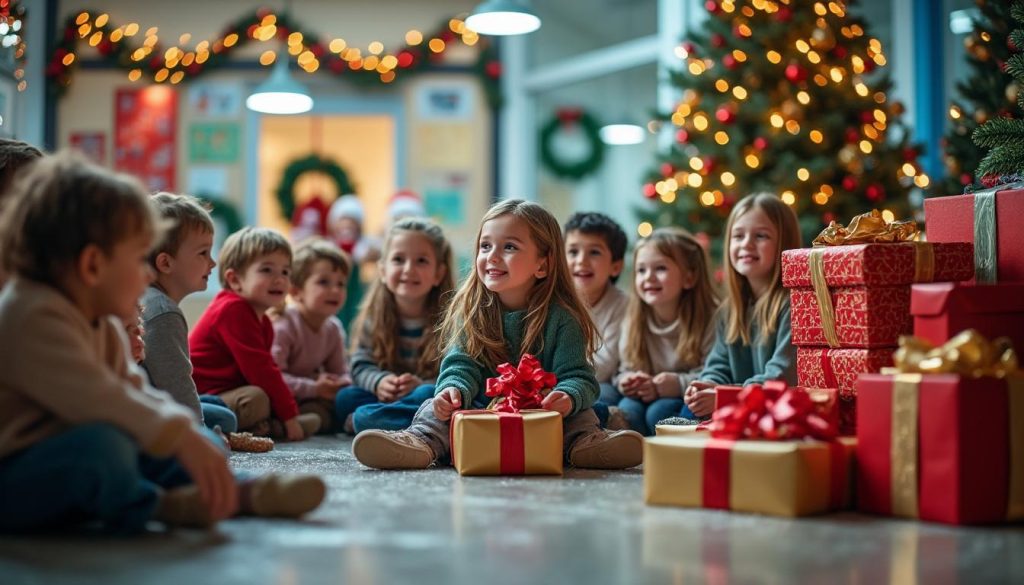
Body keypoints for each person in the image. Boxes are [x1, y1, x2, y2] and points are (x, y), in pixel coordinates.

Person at [0, 152, 324, 533]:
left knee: (157, 441)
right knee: (107, 449)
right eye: (141, 261)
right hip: (18, 472)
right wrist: (180, 434)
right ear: (92, 266)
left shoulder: (98, 317)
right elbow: (102, 397)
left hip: (70, 441)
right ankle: (158, 505)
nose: (146, 276)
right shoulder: (32, 313)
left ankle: (238, 490)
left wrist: (186, 436)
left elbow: (131, 386)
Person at [351, 199, 644, 470]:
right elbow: (460, 366)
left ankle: (587, 445)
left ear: (542, 264)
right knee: (433, 405)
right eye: (485, 246)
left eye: (510, 247)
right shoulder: (472, 310)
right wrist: (452, 390)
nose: (492, 256)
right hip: (482, 410)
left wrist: (567, 396)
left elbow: (579, 377)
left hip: (541, 413)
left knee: (582, 414)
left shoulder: (562, 318)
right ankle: (420, 441)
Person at [673, 193, 801, 423]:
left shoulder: (793, 305)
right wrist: (709, 384)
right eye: (738, 235)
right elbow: (718, 364)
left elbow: (781, 376)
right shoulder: (729, 311)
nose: (746, 244)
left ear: (785, 243)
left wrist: (725, 396)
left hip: (775, 411)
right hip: (737, 402)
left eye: (761, 236)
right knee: (685, 414)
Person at [189, 227, 320, 440]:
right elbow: (262, 371)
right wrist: (290, 418)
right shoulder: (233, 310)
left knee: (268, 396)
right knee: (256, 398)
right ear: (235, 280)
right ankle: (273, 426)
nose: (279, 279)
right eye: (267, 270)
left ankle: (266, 426)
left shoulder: (264, 321)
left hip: (228, 392)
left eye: (285, 272)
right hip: (203, 398)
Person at [334, 218, 454, 433]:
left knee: (427, 393)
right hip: (384, 396)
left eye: (421, 261)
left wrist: (419, 383)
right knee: (345, 398)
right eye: (398, 259)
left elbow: (455, 372)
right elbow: (360, 364)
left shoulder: (451, 321)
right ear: (382, 270)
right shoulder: (374, 317)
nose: (409, 269)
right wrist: (380, 382)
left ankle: (367, 421)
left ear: (439, 273)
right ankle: (391, 419)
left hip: (424, 395)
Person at [613, 228, 718, 435]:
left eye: (660, 268)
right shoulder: (634, 317)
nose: (648, 277)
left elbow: (714, 374)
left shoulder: (710, 317)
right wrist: (628, 381)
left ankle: (665, 454)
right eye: (641, 270)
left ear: (689, 278)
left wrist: (676, 384)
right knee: (628, 408)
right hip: (646, 394)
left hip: (684, 394)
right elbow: (623, 368)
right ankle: (632, 455)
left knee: (659, 412)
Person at [272, 238, 353, 433]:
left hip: (306, 396)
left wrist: (339, 382)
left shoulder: (333, 328)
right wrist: (314, 387)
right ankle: (277, 424)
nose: (335, 290)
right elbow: (273, 378)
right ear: (296, 291)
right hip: (277, 395)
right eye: (324, 282)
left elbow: (341, 370)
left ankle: (289, 424)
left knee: (340, 404)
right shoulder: (284, 325)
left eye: (341, 284)